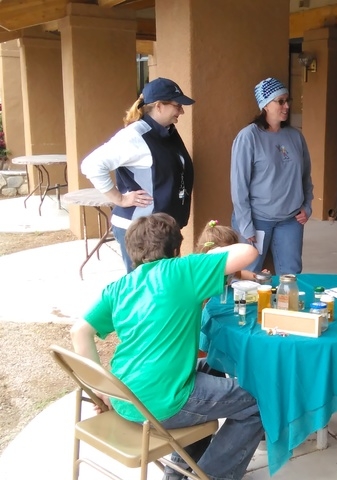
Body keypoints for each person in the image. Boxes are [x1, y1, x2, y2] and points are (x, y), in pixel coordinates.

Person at [70, 213, 264, 479]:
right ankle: (212, 475)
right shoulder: (183, 270)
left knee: (213, 364)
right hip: (162, 403)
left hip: (124, 395)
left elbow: (79, 331)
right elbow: (248, 252)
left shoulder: (118, 287)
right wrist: (214, 254)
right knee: (261, 400)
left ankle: (178, 473)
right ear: (175, 249)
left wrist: (100, 389)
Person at [81, 77, 195, 273]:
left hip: (162, 230)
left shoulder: (166, 132)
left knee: (164, 284)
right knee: (145, 287)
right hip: (142, 233)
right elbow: (91, 165)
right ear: (159, 106)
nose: (181, 111)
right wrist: (120, 199)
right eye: (177, 106)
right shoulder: (134, 136)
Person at [230, 77, 314, 275]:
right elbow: (239, 185)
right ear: (265, 105)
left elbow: (305, 177)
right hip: (257, 219)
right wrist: (246, 225)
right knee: (249, 274)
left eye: (288, 100)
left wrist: (307, 206)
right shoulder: (248, 137)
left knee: (291, 275)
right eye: (280, 101)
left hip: (290, 220)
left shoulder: (295, 136)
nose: (287, 106)